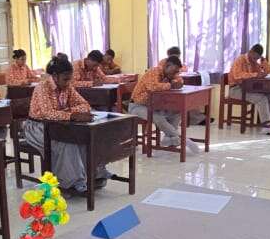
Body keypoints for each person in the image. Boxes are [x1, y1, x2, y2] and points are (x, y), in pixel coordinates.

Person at [25, 57, 111, 195]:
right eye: (65, 79)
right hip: (38, 127)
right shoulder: (42, 88)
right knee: (65, 143)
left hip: (60, 124)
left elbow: (85, 105)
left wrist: (68, 112)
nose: (68, 83)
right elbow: (47, 113)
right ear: (55, 76)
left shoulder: (67, 86)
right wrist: (72, 115)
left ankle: (93, 174)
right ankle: (70, 182)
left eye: (69, 79)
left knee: (85, 138)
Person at [129, 55, 201, 153]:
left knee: (177, 111)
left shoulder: (168, 73)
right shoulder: (154, 71)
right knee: (158, 118)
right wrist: (170, 85)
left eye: (177, 72)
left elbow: (179, 80)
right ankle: (183, 140)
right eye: (174, 71)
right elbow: (153, 87)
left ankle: (168, 138)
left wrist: (178, 82)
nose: (175, 74)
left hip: (154, 105)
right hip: (137, 106)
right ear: (167, 66)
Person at [227, 44, 270, 133]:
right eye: (255, 57)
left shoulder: (254, 61)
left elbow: (266, 71)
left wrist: (263, 62)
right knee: (261, 98)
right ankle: (266, 126)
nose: (255, 60)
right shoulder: (240, 60)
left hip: (248, 88)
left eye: (257, 58)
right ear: (251, 52)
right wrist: (255, 74)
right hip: (236, 89)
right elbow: (237, 75)